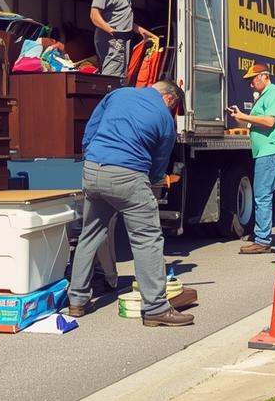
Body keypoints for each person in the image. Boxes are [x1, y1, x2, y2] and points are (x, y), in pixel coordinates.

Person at [66, 79, 192, 327]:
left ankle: (77, 300)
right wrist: (154, 182)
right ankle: (155, 307)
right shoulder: (165, 119)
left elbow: (91, 128)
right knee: (147, 239)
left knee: (90, 234)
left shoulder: (118, 94)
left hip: (93, 170)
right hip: (128, 175)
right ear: (170, 99)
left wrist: (92, 157)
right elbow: (158, 163)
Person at [228, 62, 275, 255]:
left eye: (253, 79)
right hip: (273, 151)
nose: (250, 84)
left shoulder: (273, 93)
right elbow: (255, 124)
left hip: (270, 152)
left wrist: (245, 116)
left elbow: (269, 121)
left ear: (264, 76)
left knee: (262, 196)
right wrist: (238, 117)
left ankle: (262, 240)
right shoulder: (266, 95)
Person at [89, 0, 155, 80]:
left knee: (120, 76)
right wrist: (111, 30)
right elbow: (94, 14)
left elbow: (123, 17)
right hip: (113, 39)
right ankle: (108, 97)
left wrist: (142, 31)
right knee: (112, 77)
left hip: (122, 39)